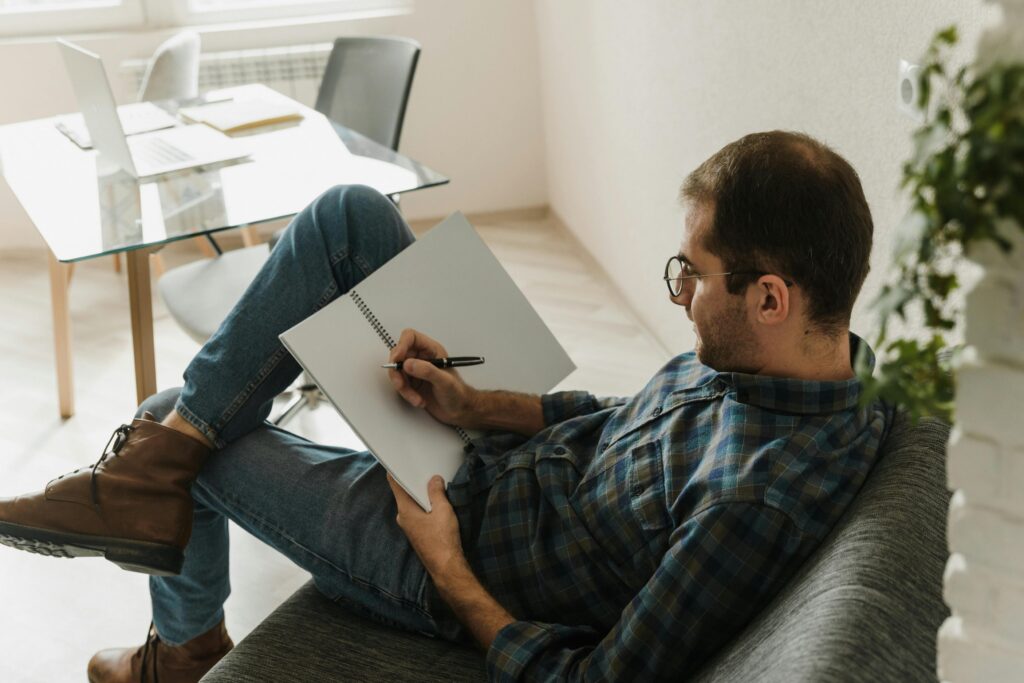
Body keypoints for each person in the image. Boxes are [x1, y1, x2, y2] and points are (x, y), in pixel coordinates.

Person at [0, 130, 892, 682]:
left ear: (771, 297)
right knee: (349, 215)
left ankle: (179, 642)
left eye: (691, 275)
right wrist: (479, 402)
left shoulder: (752, 501)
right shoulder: (800, 363)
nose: (678, 291)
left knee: (178, 422)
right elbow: (630, 416)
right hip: (491, 458)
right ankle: (145, 482)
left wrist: (447, 564)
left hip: (454, 547)